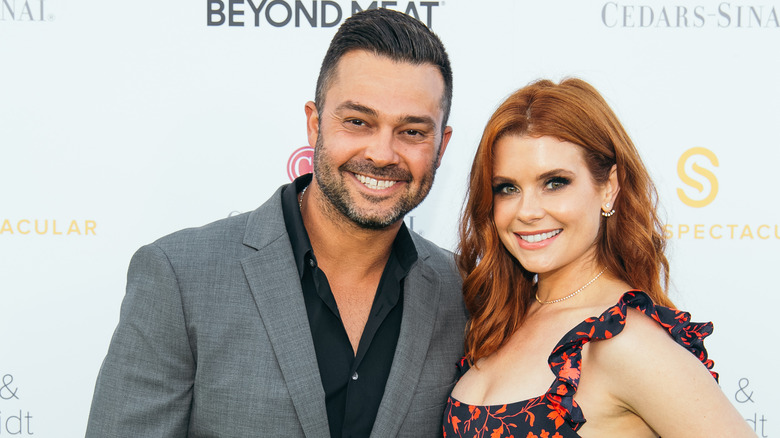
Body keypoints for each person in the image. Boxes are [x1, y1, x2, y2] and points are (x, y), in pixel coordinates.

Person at [86, 8, 467, 438]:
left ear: (441, 145)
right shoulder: (180, 278)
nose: (382, 153)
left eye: (412, 131)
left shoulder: (467, 292)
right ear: (314, 123)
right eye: (358, 121)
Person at [442, 79, 753, 437]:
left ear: (609, 188)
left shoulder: (627, 341)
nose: (526, 211)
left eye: (555, 182)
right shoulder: (499, 319)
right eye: (507, 188)